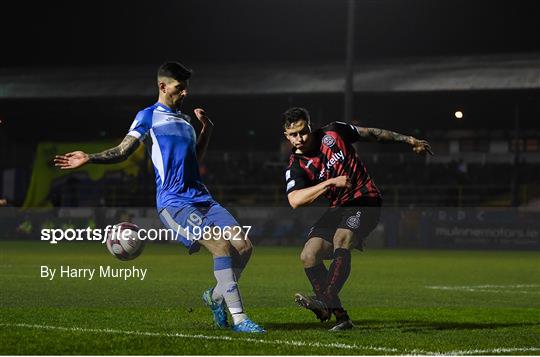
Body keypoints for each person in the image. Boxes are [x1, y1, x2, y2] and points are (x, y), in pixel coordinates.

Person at [54, 61, 264, 333]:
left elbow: (194, 158)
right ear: (163, 86)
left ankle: (214, 298)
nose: (185, 93)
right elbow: (123, 150)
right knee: (221, 247)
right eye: (180, 88)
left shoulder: (187, 121)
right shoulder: (148, 116)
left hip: (202, 198)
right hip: (173, 202)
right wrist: (90, 157)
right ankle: (240, 320)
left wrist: (206, 130)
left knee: (244, 248)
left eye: (186, 88)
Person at [282, 107, 432, 331]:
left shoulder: (333, 132)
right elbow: (294, 200)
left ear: (310, 126)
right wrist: (330, 183)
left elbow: (371, 133)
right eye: (293, 135)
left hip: (365, 198)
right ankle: (341, 317)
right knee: (308, 255)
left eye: (303, 132)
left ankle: (325, 301)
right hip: (338, 207)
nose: (299, 138)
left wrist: (409, 140)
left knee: (342, 238)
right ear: (286, 135)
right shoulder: (296, 165)